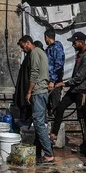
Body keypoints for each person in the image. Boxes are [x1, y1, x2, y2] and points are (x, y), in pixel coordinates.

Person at [50, 31, 86, 159]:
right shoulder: (80, 54)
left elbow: (80, 77)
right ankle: (54, 134)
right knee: (60, 107)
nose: (73, 45)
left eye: (74, 43)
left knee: (81, 117)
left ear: (80, 42)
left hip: (82, 91)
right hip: (75, 89)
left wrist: (65, 84)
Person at [17, 36, 54, 165]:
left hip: (38, 91)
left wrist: (28, 92)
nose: (23, 49)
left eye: (23, 46)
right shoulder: (41, 52)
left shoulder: (34, 53)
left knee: (38, 123)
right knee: (40, 122)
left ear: (28, 43)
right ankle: (39, 150)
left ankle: (49, 154)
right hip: (43, 91)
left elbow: (34, 73)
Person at [44, 29, 65, 116]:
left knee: (55, 104)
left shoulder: (56, 48)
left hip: (55, 81)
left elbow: (59, 65)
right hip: (48, 80)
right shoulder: (49, 49)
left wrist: (52, 80)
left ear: (46, 37)